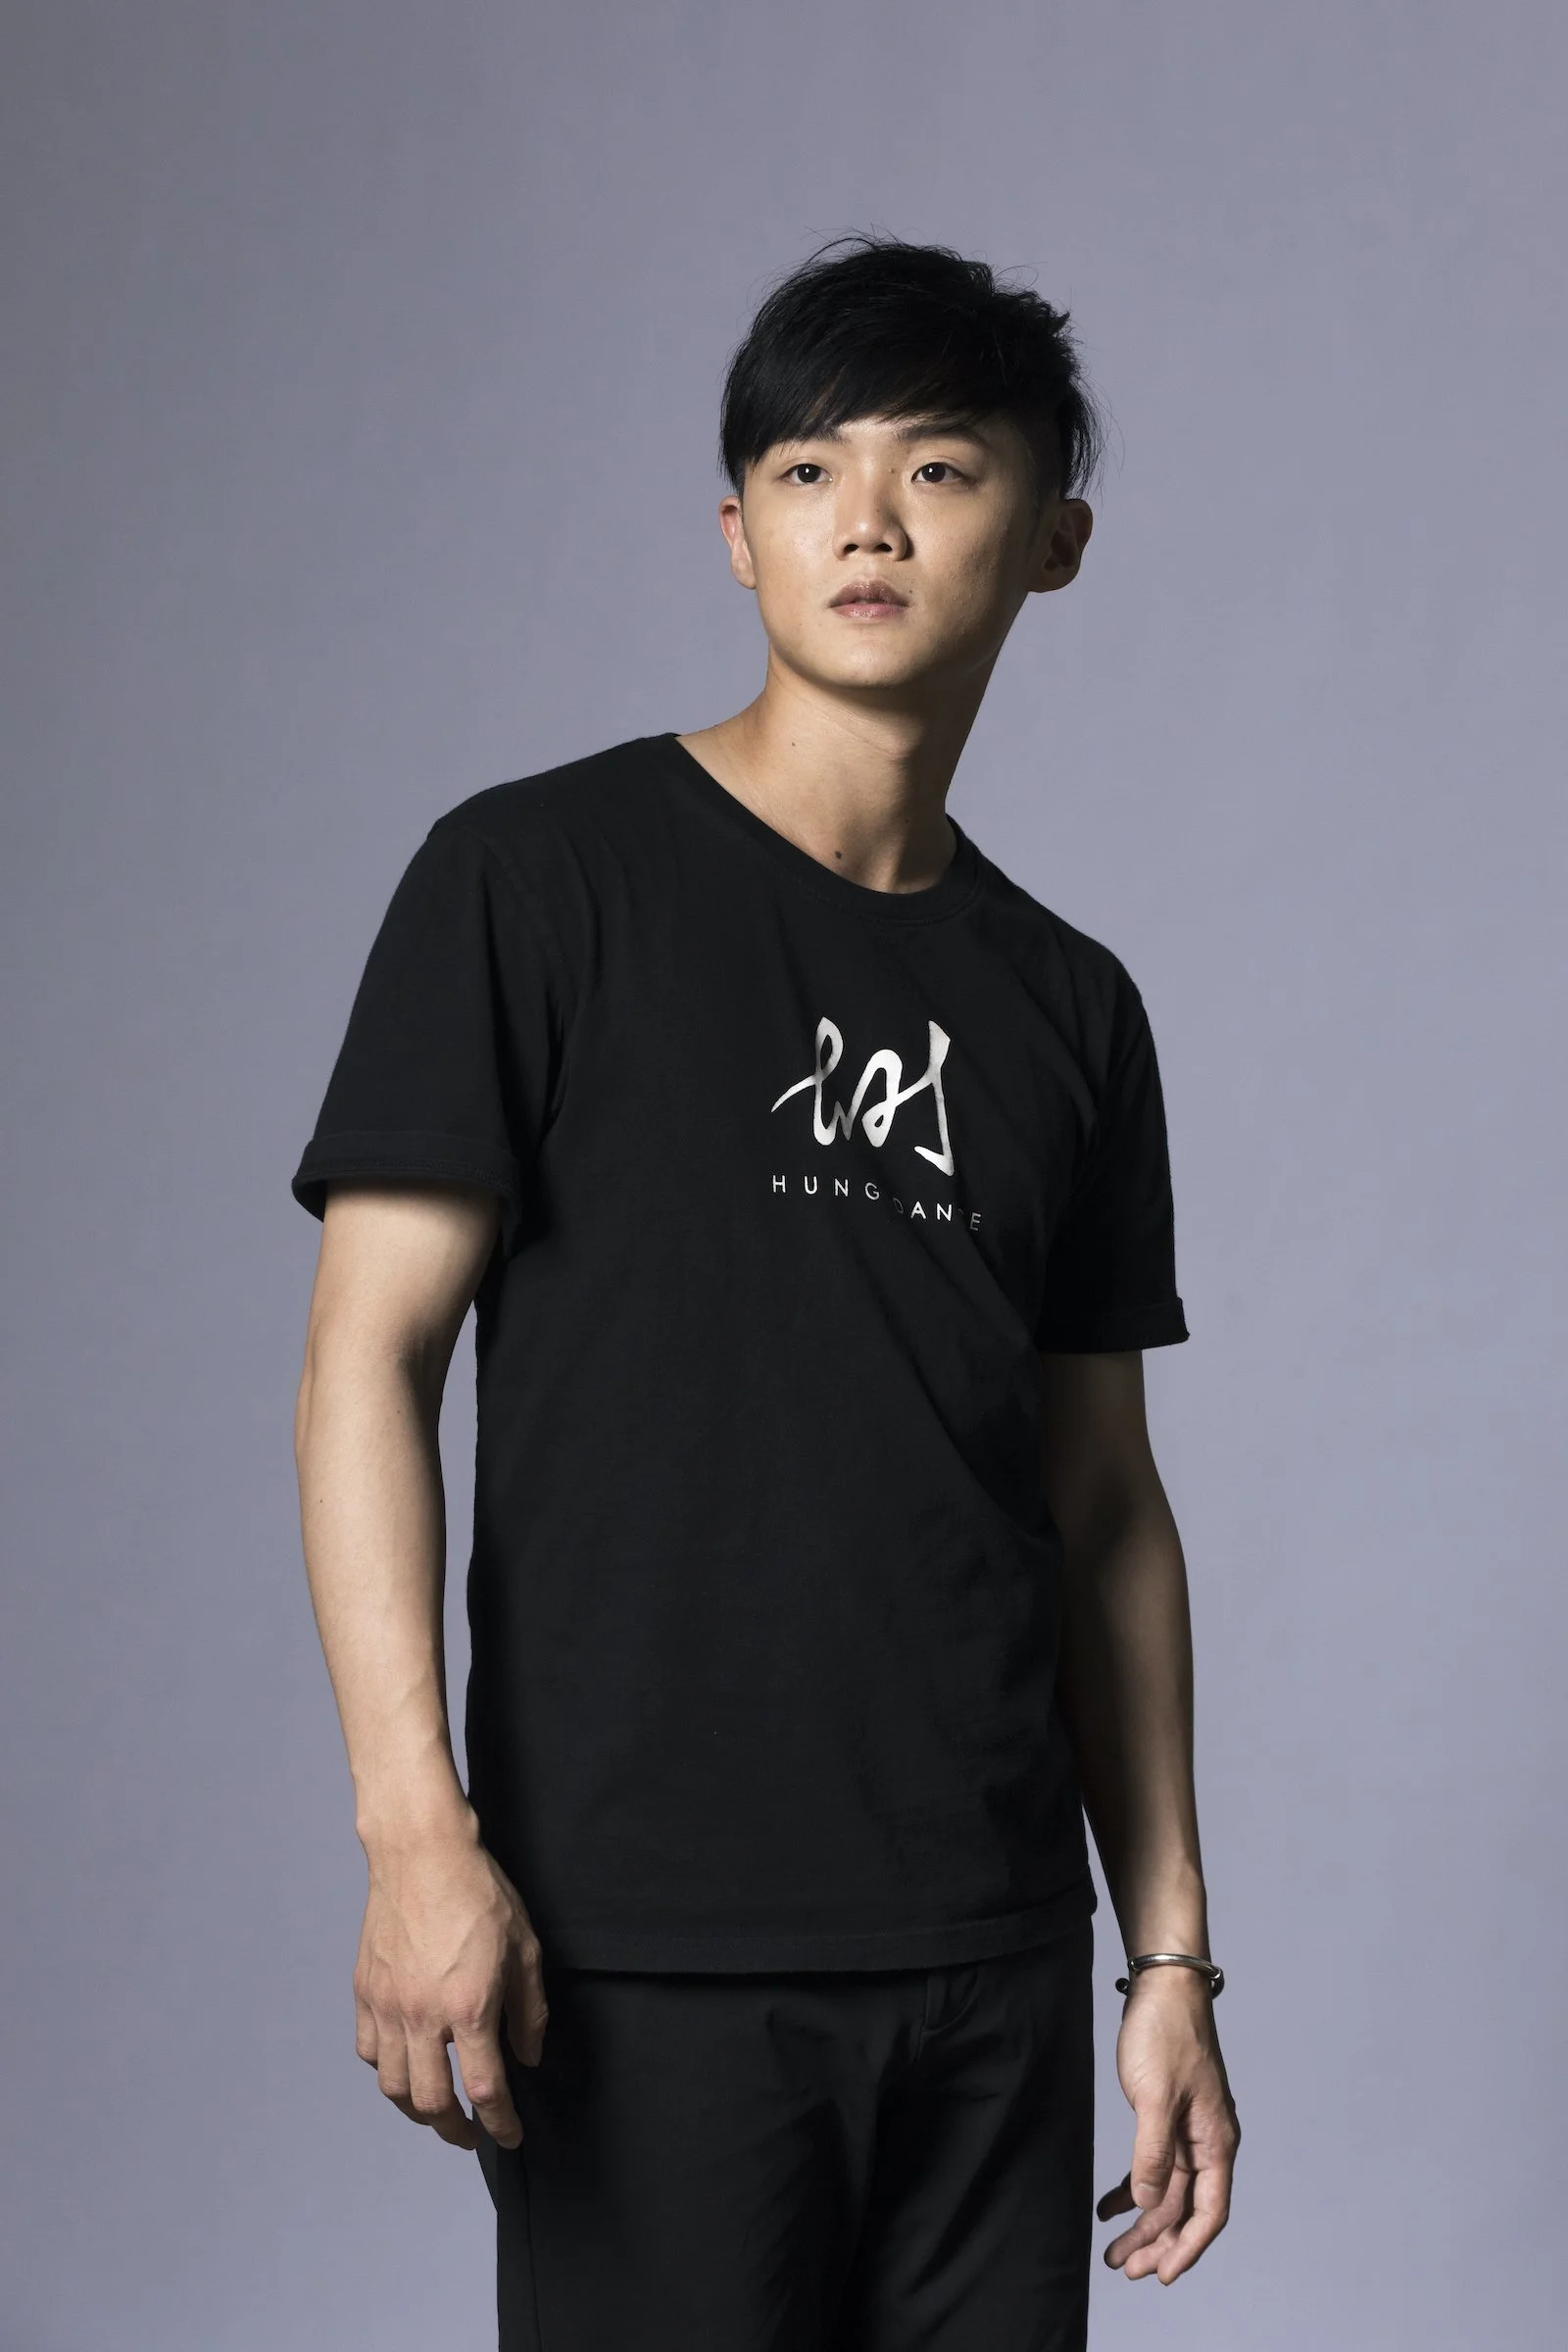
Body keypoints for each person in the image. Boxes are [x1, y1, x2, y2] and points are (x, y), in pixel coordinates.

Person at [291, 230, 1240, 2350]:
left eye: (940, 467)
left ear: (1054, 539)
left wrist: (1165, 1954)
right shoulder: (534, 881)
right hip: (643, 1948)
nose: (867, 521)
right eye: (809, 471)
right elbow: (367, 1360)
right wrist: (415, 1838)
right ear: (737, 537)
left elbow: (1102, 1506)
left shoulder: (1071, 1008)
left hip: (990, 1956)